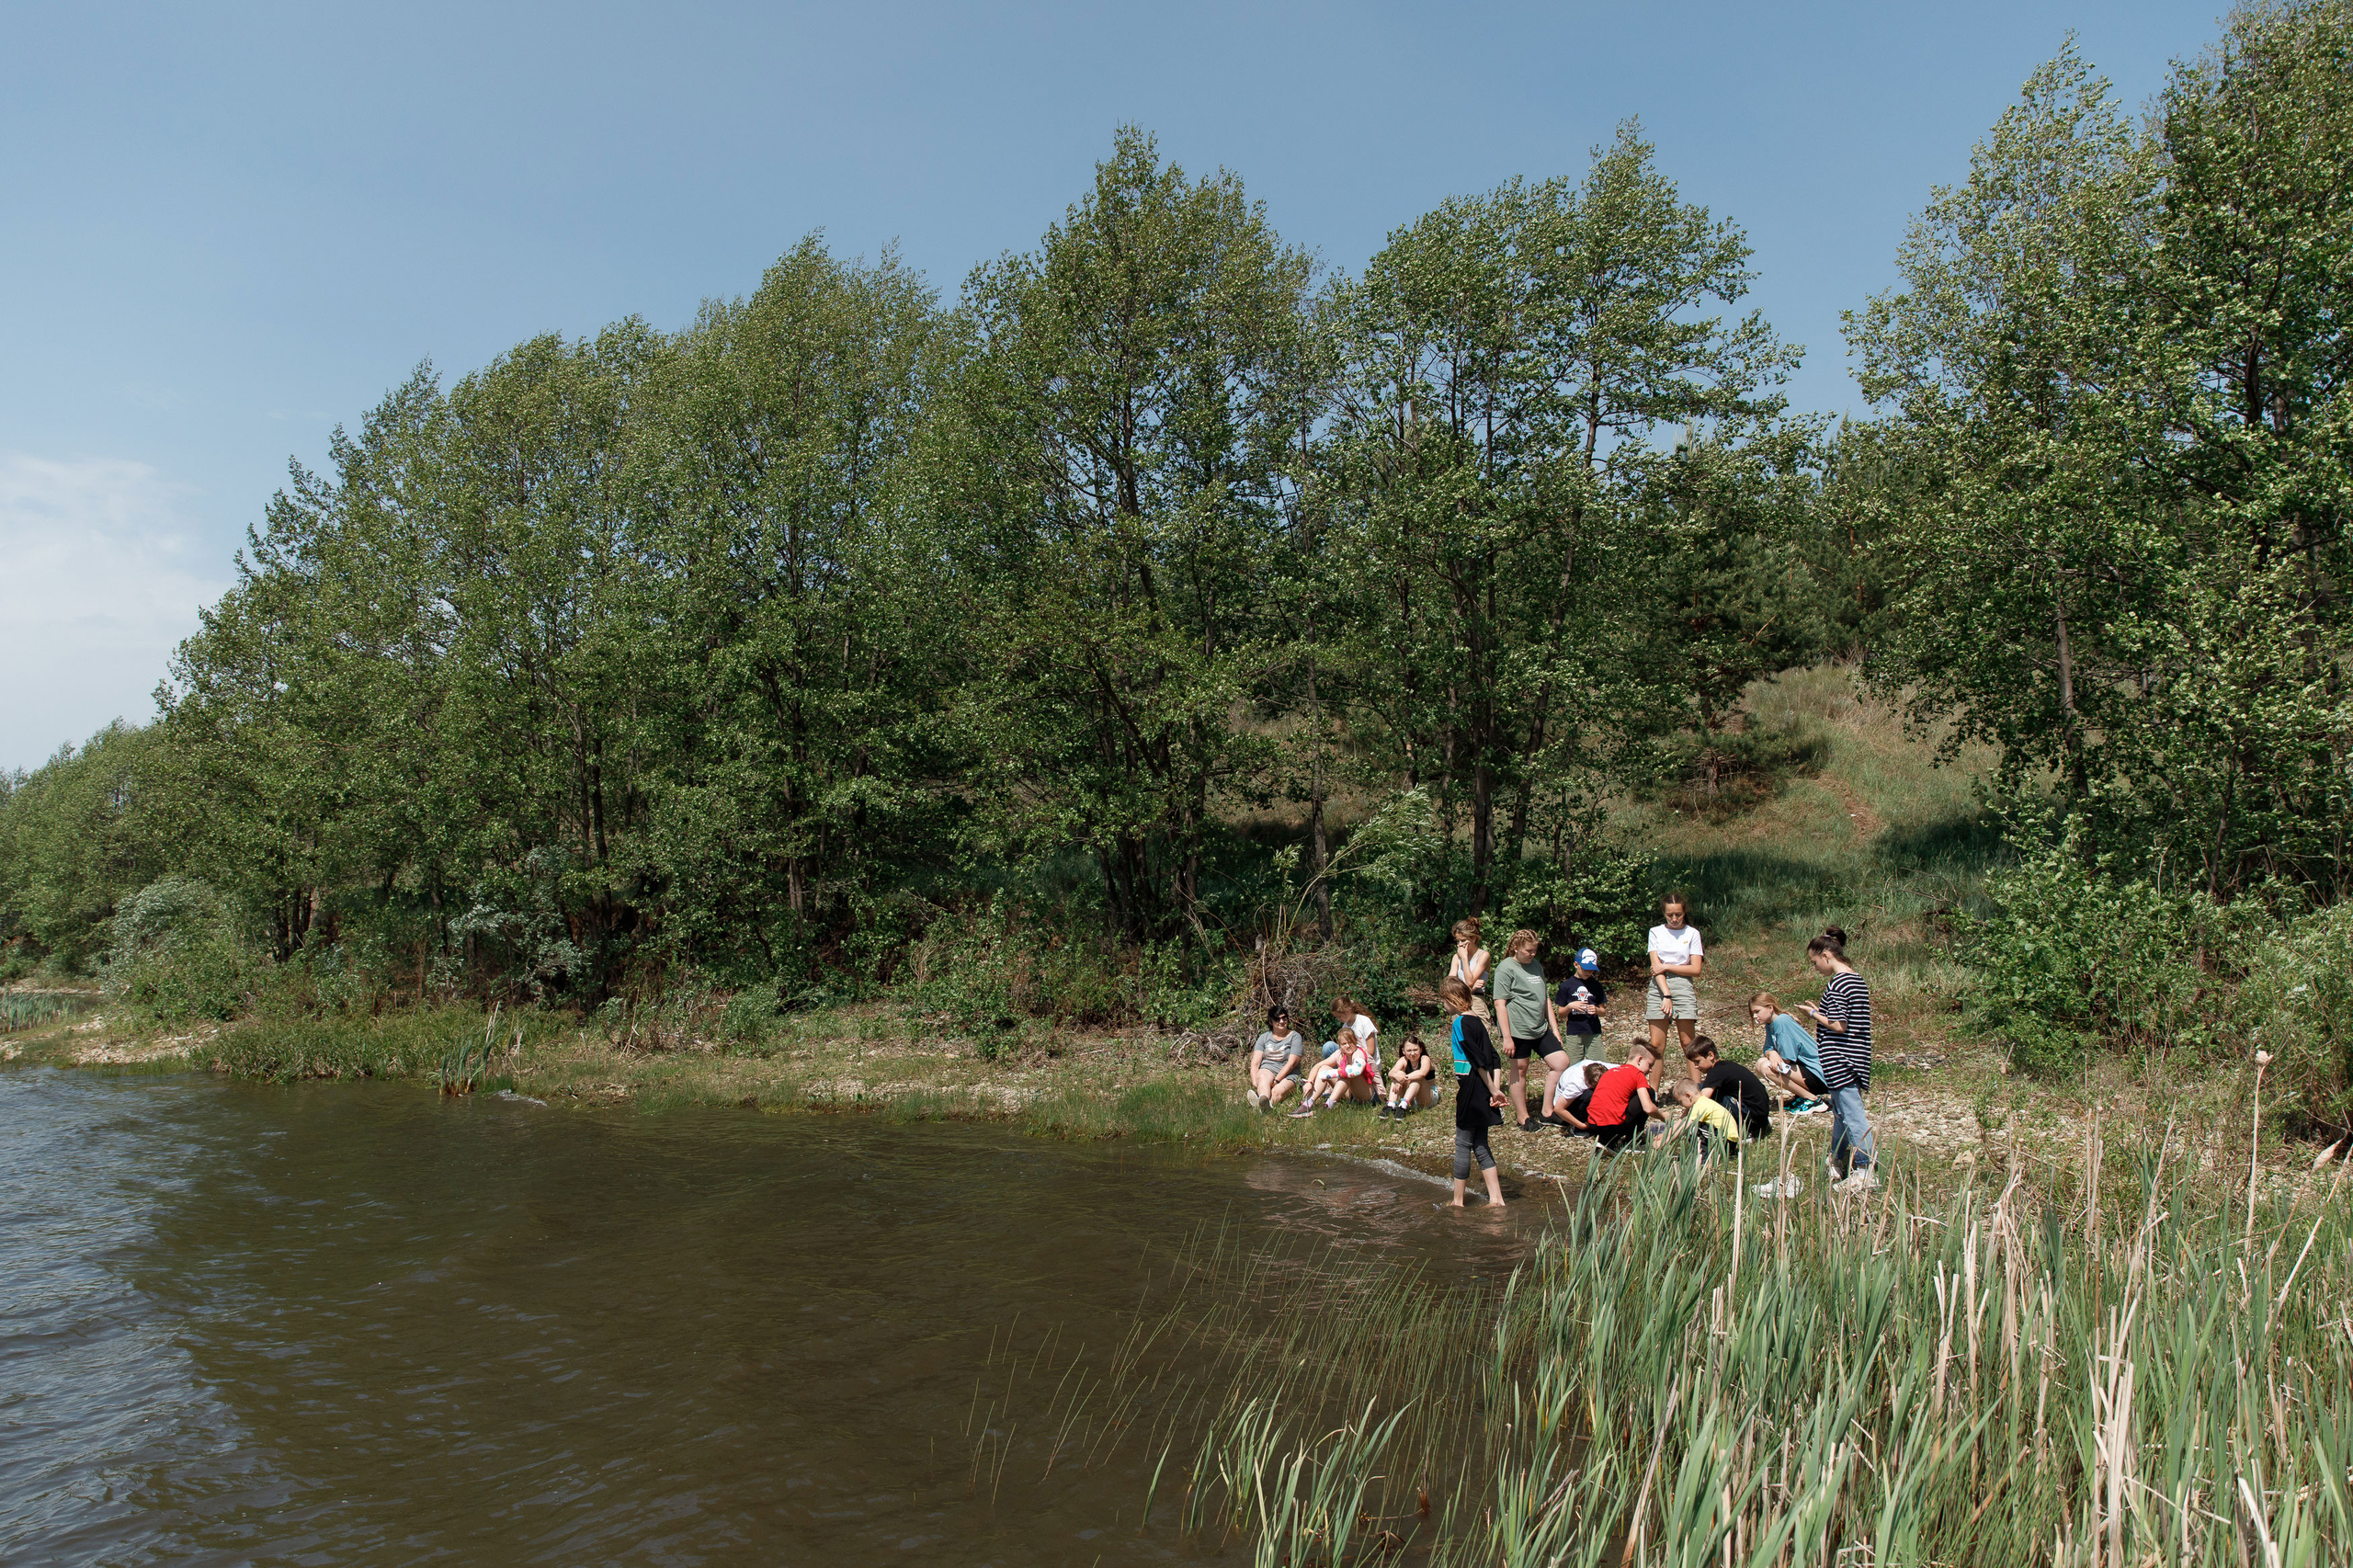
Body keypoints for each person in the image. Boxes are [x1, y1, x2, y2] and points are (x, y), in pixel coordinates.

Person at [1795, 926, 1876, 1192]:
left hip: (1842, 1059)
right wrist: (1823, 1012)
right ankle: (1837, 1161)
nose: (1815, 967)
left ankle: (1865, 1170)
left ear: (1827, 955)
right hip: (1855, 1056)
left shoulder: (1838, 983)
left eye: (1814, 961)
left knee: (1853, 1115)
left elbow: (1839, 1025)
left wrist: (1812, 1014)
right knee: (1841, 1114)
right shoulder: (1856, 979)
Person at [1439, 976, 1508, 1208]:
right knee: (1480, 1143)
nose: (1444, 1006)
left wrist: (1492, 1090)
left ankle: (1457, 1201)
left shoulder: (1460, 1023)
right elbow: (1494, 1057)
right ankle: (1496, 1199)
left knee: (1462, 1142)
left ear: (1451, 999)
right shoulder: (1478, 1021)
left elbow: (1476, 1059)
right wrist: (1495, 1089)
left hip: (1472, 1085)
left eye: (1444, 1001)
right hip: (1485, 1086)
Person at [1493, 929, 1563, 1132]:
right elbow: (1499, 1003)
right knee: (1520, 1069)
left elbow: (1545, 998)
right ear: (1516, 948)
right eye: (1529, 951)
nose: (1532, 954)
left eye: (1535, 951)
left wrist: (1555, 1029)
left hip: (1539, 1027)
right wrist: (1507, 1037)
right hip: (1518, 1029)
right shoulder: (1506, 968)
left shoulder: (1536, 965)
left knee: (1560, 1063)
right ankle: (1523, 1118)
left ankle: (1547, 1111)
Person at [1546, 948, 1608, 1125]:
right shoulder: (1567, 986)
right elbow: (1560, 1013)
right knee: (1572, 1067)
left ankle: (1599, 1101)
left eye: (1592, 969)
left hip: (1593, 1031)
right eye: (1586, 968)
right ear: (1576, 964)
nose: (1589, 972)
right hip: (1574, 1031)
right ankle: (1569, 1105)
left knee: (1599, 1065)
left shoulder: (1596, 985)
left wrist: (1596, 1010)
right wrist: (1571, 1005)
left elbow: (1603, 1010)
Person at [1683, 1035, 1773, 1143]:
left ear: (1710, 1055)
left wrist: (1682, 1122)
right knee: (1704, 1090)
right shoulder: (1725, 1066)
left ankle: (1743, 1132)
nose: (1696, 1066)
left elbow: (1700, 1102)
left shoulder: (1716, 1072)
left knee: (1703, 1093)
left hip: (1752, 1119)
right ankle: (1758, 1127)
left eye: (1698, 1062)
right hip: (1760, 1114)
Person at [1749, 992, 1828, 1114]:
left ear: (1770, 1008)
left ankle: (1813, 1100)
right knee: (1761, 1063)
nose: (1755, 1016)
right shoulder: (1771, 1024)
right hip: (1805, 1071)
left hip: (1818, 1073)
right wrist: (1772, 1053)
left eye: (1757, 1011)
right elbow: (1767, 1048)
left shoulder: (1781, 1022)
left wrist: (1772, 1053)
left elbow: (1786, 1059)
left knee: (1766, 1067)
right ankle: (1803, 1095)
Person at [1646, 896, 1705, 1058]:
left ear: (1684, 912)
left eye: (1678, 915)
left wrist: (1666, 966)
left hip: (1683, 984)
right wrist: (1666, 994)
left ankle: (1696, 1083)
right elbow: (1655, 968)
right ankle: (1653, 1084)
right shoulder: (1655, 932)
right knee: (1656, 1045)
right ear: (1664, 913)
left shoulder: (1692, 933)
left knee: (1688, 1043)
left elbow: (1695, 969)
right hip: (1659, 985)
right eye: (1670, 915)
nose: (1674, 919)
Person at [1586, 1043, 1663, 1153]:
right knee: (1649, 1092)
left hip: (1593, 1125)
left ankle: (1607, 1141)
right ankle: (1633, 1141)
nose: (1650, 1070)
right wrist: (1663, 1116)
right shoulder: (1637, 1074)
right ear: (1639, 1060)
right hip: (1612, 1126)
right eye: (1650, 1065)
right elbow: (1648, 1108)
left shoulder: (1610, 1072)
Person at [1665, 1078, 1742, 1165]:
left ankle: (1704, 1157)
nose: (1682, 1106)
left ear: (1688, 1096)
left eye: (1681, 1102)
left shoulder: (1699, 1106)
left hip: (1724, 1140)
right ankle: (1709, 1153)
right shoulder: (1705, 1101)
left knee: (1693, 1128)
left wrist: (1667, 1141)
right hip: (1730, 1141)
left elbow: (1684, 1126)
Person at [1245, 1006, 1306, 1111]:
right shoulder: (1264, 1037)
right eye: (1277, 1019)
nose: (1281, 1021)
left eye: (1284, 1018)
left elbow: (1292, 1064)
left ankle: (1262, 1107)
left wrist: (1277, 1080)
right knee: (1262, 1078)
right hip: (1268, 1070)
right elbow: (1255, 1063)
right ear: (1271, 1021)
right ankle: (1263, 1100)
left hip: (1289, 1074)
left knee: (1276, 1092)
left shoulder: (1295, 1037)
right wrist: (1255, 1082)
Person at [1448, 918, 1493, 1022]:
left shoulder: (1483, 956)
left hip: (1476, 1001)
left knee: (1479, 1035)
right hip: (1459, 1001)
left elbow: (1469, 980)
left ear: (1473, 939)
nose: (1460, 945)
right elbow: (1450, 984)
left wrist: (1464, 958)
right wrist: (1470, 988)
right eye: (1458, 941)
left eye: (1463, 940)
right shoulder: (1456, 957)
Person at [1382, 1035, 1438, 1116]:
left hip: (1427, 1097)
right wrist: (1398, 1077)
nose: (1412, 1053)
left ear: (1421, 1049)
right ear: (1403, 1051)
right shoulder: (1403, 1060)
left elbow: (1422, 1073)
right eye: (1409, 1050)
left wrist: (1402, 1079)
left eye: (1415, 1050)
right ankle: (1391, 1105)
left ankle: (1403, 1106)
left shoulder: (1425, 1059)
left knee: (1418, 1078)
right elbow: (1391, 1073)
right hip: (1411, 1096)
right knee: (1398, 1074)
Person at [1551, 1060, 1610, 1136]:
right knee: (1590, 1095)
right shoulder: (1576, 1085)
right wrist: (1582, 1126)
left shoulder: (1597, 1067)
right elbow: (1559, 1109)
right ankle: (1577, 1126)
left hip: (1571, 1096)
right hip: (1566, 1106)